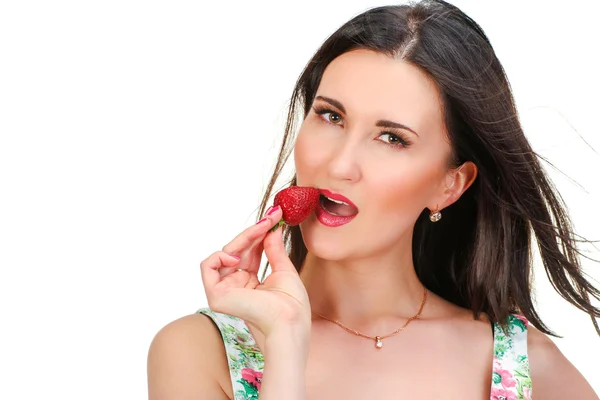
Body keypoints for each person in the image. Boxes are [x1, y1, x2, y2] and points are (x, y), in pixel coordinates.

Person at [147, 1, 600, 399]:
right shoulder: (199, 352)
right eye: (330, 115)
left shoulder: (523, 365)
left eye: (391, 138)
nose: (341, 163)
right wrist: (284, 341)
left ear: (451, 184)